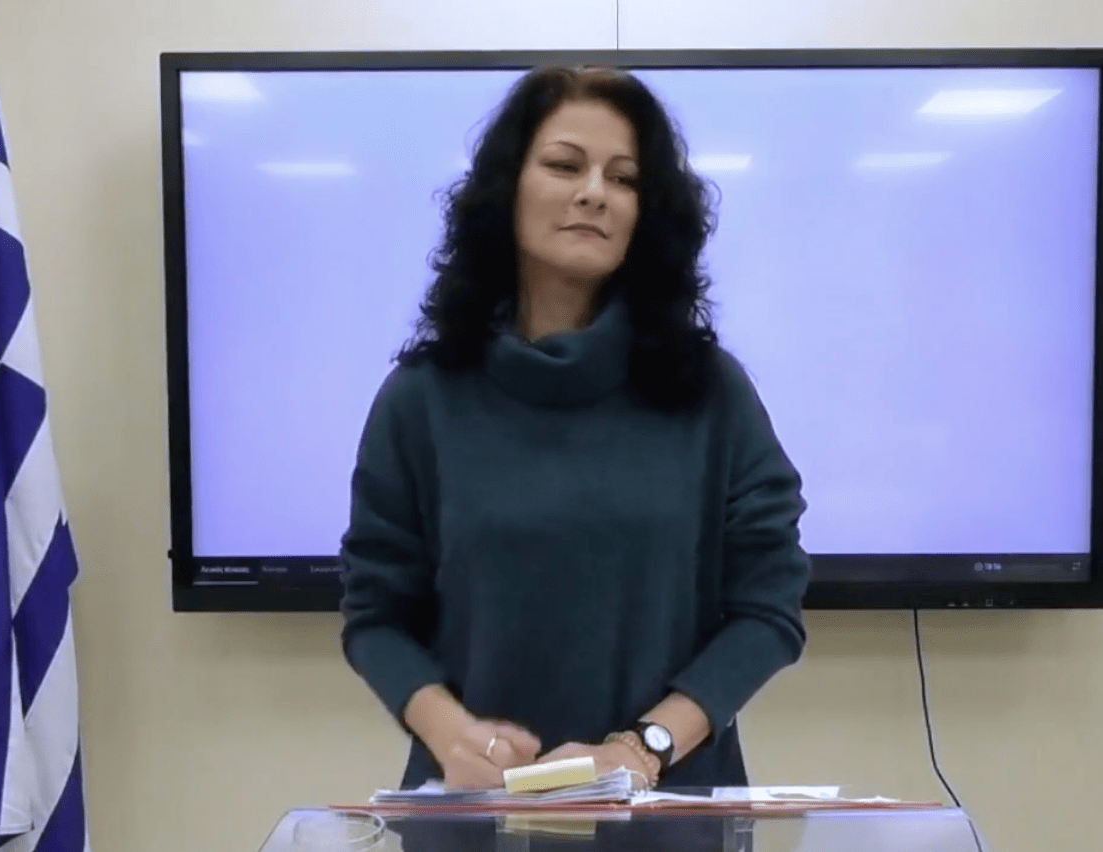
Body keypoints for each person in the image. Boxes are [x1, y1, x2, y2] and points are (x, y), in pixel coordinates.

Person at [338, 65, 811, 792]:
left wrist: (645, 748)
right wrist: (453, 733)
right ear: (507, 189)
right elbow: (376, 616)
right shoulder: (420, 399)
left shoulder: (712, 393)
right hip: (477, 813)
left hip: (665, 814)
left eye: (624, 178)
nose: (595, 192)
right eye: (565, 166)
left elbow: (768, 609)